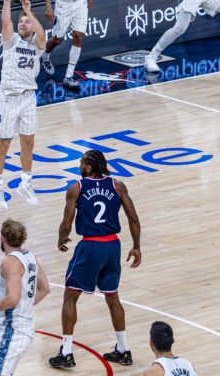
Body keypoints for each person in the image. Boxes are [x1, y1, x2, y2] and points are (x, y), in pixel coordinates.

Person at [48, 150, 142, 369]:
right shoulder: (118, 186)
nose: (79, 166)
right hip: (112, 246)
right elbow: (133, 217)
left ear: (89, 167)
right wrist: (137, 246)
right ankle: (124, 349)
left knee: (70, 296)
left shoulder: (77, 188)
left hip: (91, 245)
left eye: (81, 163)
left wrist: (61, 239)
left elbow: (66, 222)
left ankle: (67, 352)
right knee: (113, 297)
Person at [0, 0, 46, 211]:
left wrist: (30, 12)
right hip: (8, 97)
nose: (23, 23)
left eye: (26, 21)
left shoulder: (36, 46)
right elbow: (5, 22)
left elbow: (42, 35)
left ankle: (26, 183)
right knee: (4, 143)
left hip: (28, 97)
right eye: (20, 20)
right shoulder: (10, 41)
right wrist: (7, 2)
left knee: (28, 143)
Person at [0, 219, 50, 376]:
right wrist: (24, 307)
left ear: (2, 237)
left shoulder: (10, 262)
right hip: (11, 330)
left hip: (14, 331)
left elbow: (12, 299)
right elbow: (45, 289)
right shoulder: (30, 257)